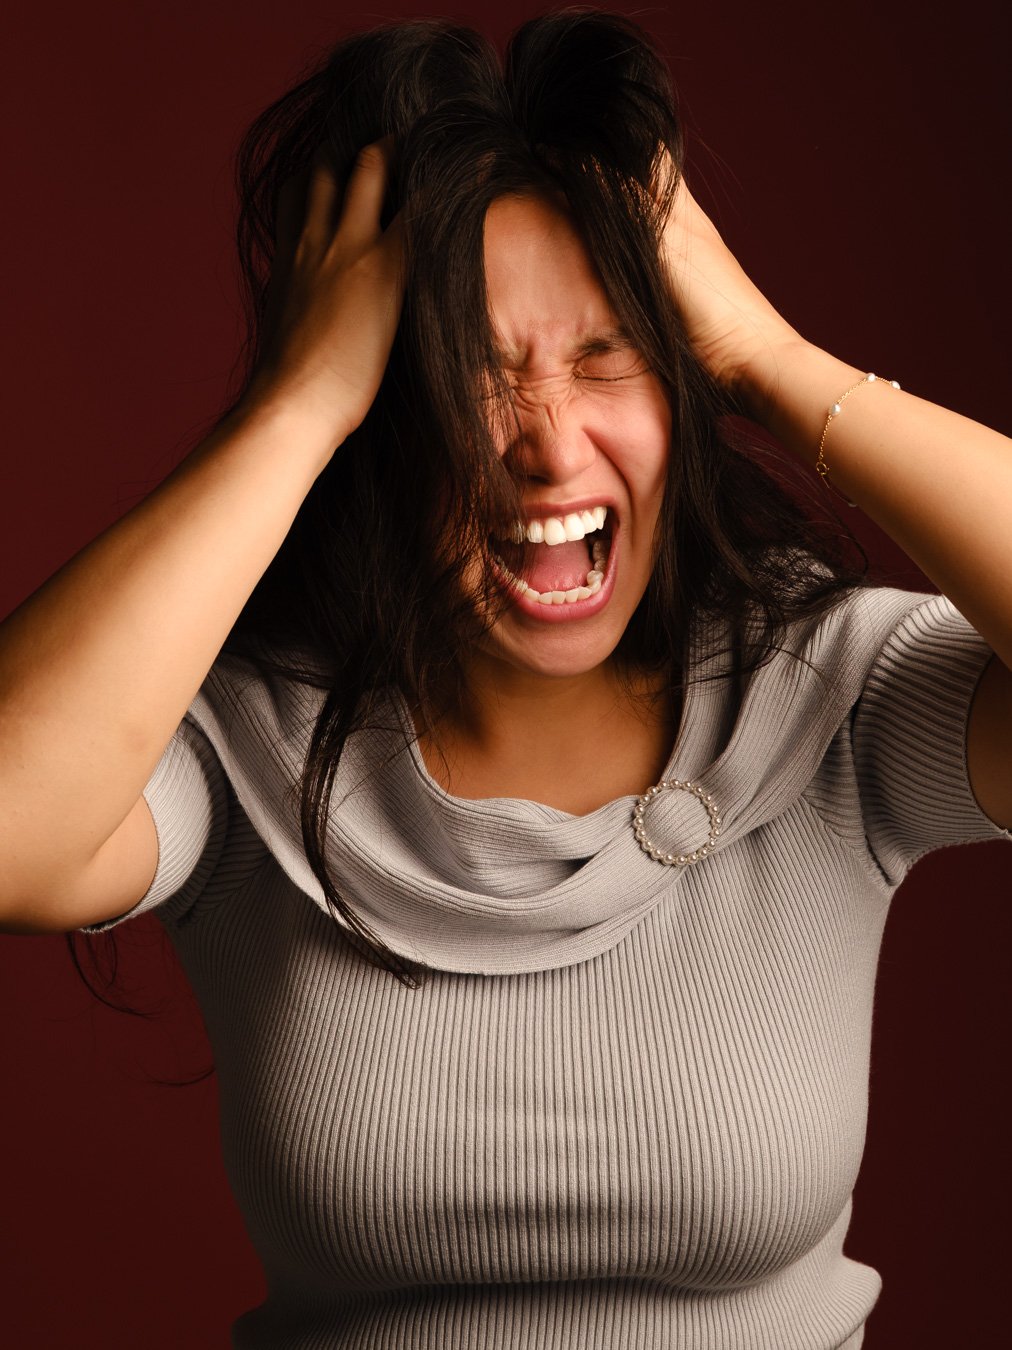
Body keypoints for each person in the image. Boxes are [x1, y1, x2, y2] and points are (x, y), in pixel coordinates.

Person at [1, 9, 1009, 1348]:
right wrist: (296, 406)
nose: (550, 448)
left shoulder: (831, 695)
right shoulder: (234, 739)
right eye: (471, 374)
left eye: (606, 358)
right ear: (383, 418)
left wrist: (772, 360)